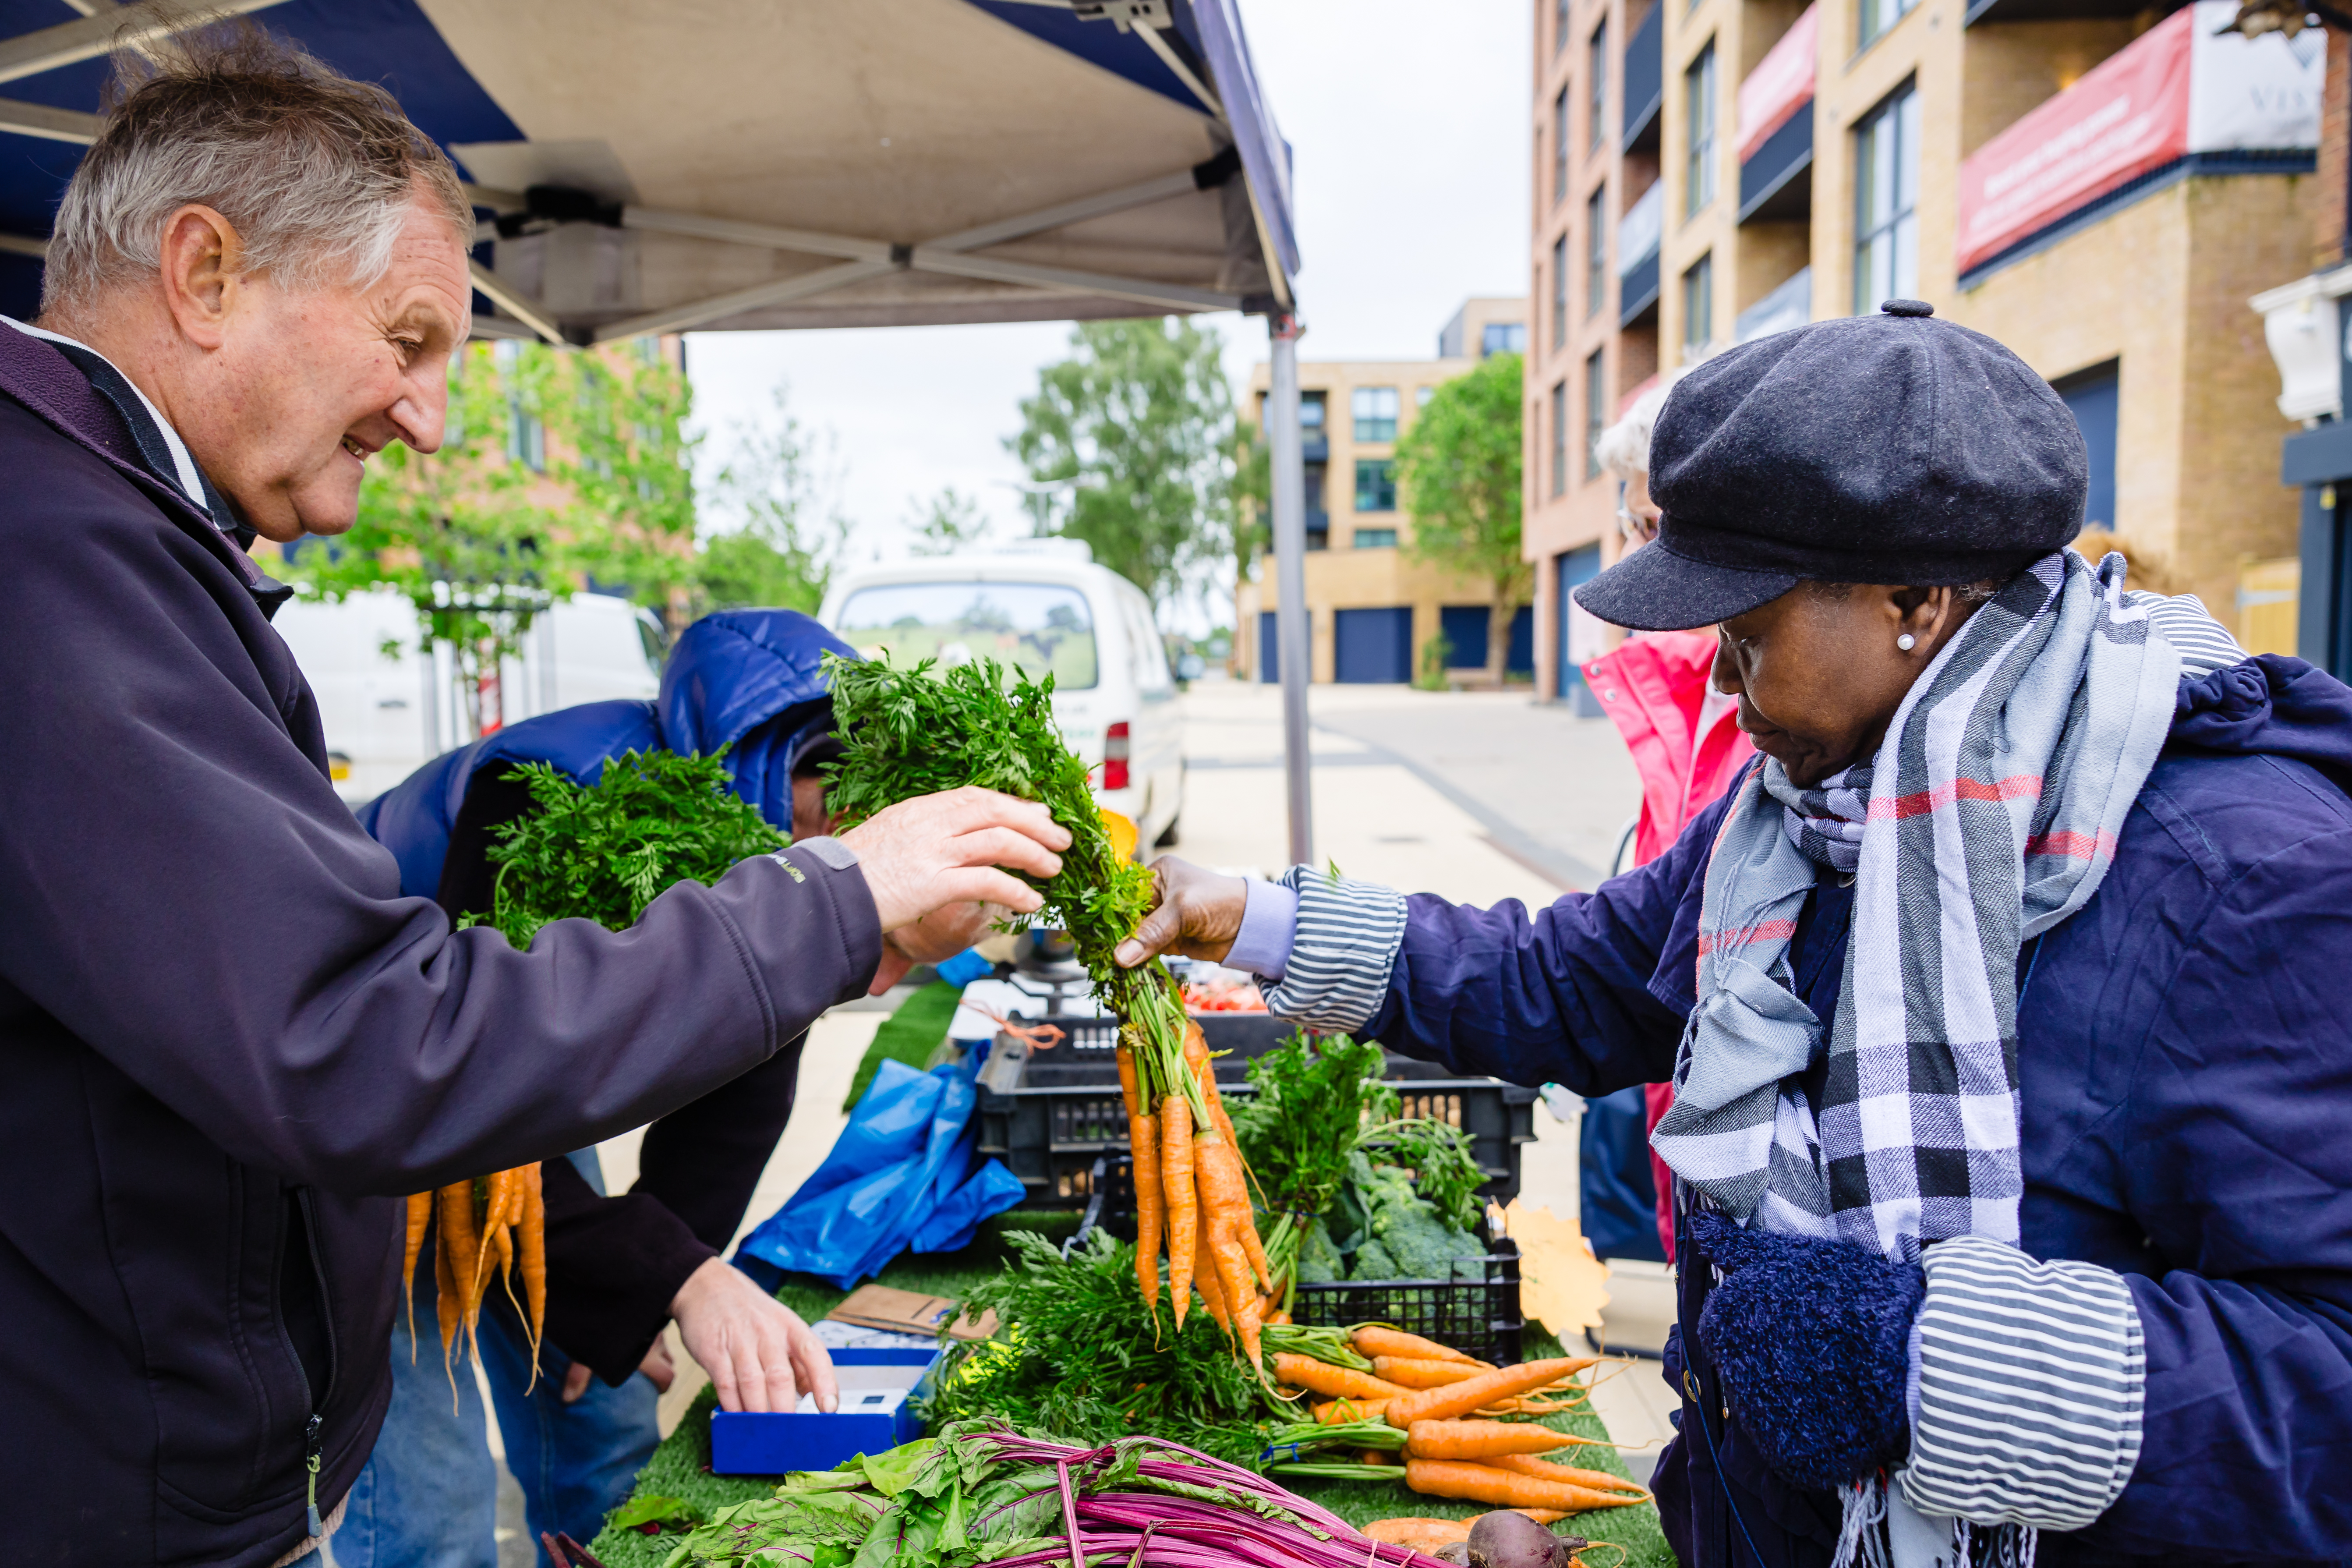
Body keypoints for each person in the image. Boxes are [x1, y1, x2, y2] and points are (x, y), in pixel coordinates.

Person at [0, 35, 1069, 1568]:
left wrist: (668, 1255)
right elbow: (368, 1042)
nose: (431, 419)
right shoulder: (52, 554)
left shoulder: (116, 538)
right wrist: (830, 904)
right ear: (206, 272)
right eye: (413, 339)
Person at [1119, 301, 2352, 1565]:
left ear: (1915, 602)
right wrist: (1255, 917)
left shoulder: (2243, 877)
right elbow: (1570, 979)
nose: (1715, 678)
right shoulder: (1794, 819)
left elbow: (2325, 1390)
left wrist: (1922, 1360)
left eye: (1746, 633)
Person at [338, 607, 864, 1564]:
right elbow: (446, 1077)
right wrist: (667, 1272)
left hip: (519, 1101)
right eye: (818, 802)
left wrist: (627, 1286)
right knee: (434, 1496)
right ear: (760, 756)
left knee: (605, 1420)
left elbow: (734, 1108)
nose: (828, 831)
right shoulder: (538, 791)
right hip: (369, 1111)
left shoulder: (773, 852)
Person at [1584, 370, 1754, 1265]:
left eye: (1648, 529)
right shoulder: (1682, 696)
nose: (1632, 560)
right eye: (1632, 527)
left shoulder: (1765, 713)